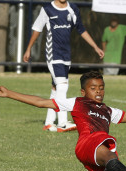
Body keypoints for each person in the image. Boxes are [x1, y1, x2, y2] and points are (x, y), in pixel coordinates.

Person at [23, 0, 104, 132]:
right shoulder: (48, 9)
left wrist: (95, 47)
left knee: (56, 88)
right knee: (63, 86)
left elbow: (81, 29)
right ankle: (62, 122)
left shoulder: (72, 9)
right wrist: (28, 48)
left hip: (66, 55)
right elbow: (37, 29)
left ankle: (49, 123)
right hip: (53, 54)